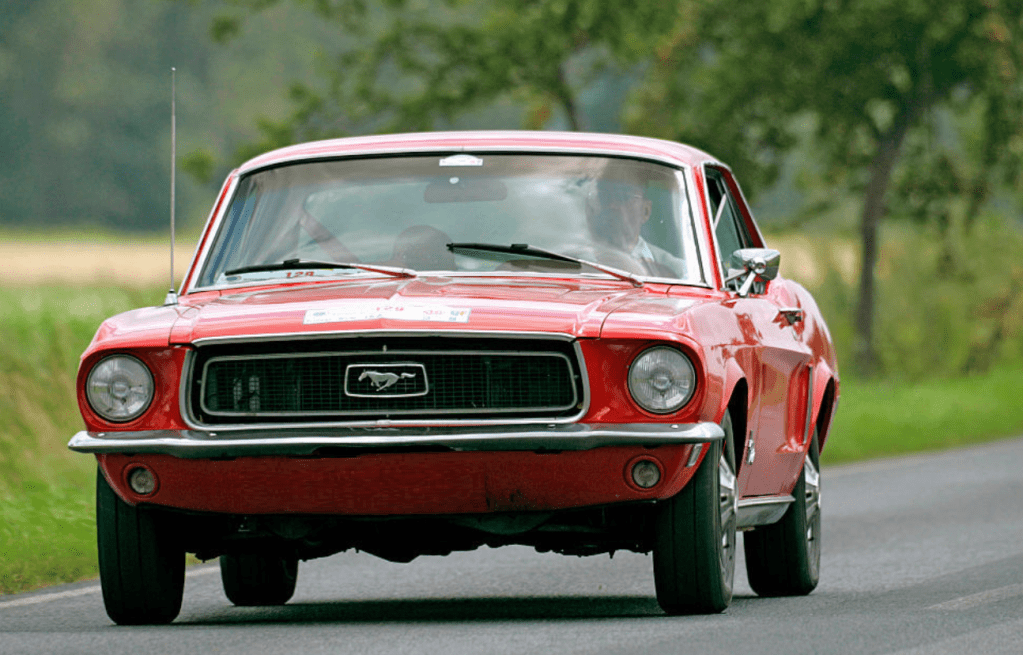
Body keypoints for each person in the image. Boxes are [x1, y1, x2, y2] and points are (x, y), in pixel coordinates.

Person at [586, 178, 687, 278]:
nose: (612, 205)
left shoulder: (678, 272)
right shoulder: (579, 259)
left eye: (624, 197)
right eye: (603, 196)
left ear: (645, 211)